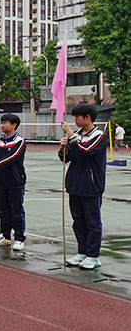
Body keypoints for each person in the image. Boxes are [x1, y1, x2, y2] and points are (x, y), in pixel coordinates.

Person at [59, 103, 108, 269]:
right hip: (75, 184)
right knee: (78, 221)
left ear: (87, 117)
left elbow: (86, 150)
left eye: (77, 117)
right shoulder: (77, 135)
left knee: (92, 222)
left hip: (91, 185)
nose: (75, 120)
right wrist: (63, 148)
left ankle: (93, 255)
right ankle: (82, 252)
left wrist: (71, 135)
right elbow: (67, 157)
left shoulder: (99, 135)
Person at [0, 114, 27, 250]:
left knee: (16, 209)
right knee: (2, 208)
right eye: (1, 123)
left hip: (15, 181)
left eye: (5, 123)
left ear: (14, 125)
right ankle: (5, 235)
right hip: (1, 181)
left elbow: (11, 159)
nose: (2, 125)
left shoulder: (20, 141)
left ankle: (19, 238)